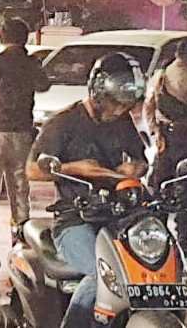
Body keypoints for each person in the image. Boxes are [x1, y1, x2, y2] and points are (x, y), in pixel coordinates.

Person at [26, 53, 149, 328]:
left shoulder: (122, 121)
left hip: (118, 215)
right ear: (98, 93)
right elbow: (32, 169)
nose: (120, 110)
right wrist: (75, 168)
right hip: (75, 219)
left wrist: (135, 168)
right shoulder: (64, 123)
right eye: (115, 103)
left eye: (126, 105)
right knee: (104, 275)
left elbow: (141, 159)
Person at [0, 18, 51, 289]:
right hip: (23, 136)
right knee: (21, 202)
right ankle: (21, 262)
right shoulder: (30, 64)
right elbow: (44, 84)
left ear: (2, 36)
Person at [144, 38, 187, 258]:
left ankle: (157, 235)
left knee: (160, 186)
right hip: (184, 138)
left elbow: (148, 107)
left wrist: (155, 133)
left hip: (164, 138)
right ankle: (183, 239)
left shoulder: (160, 76)